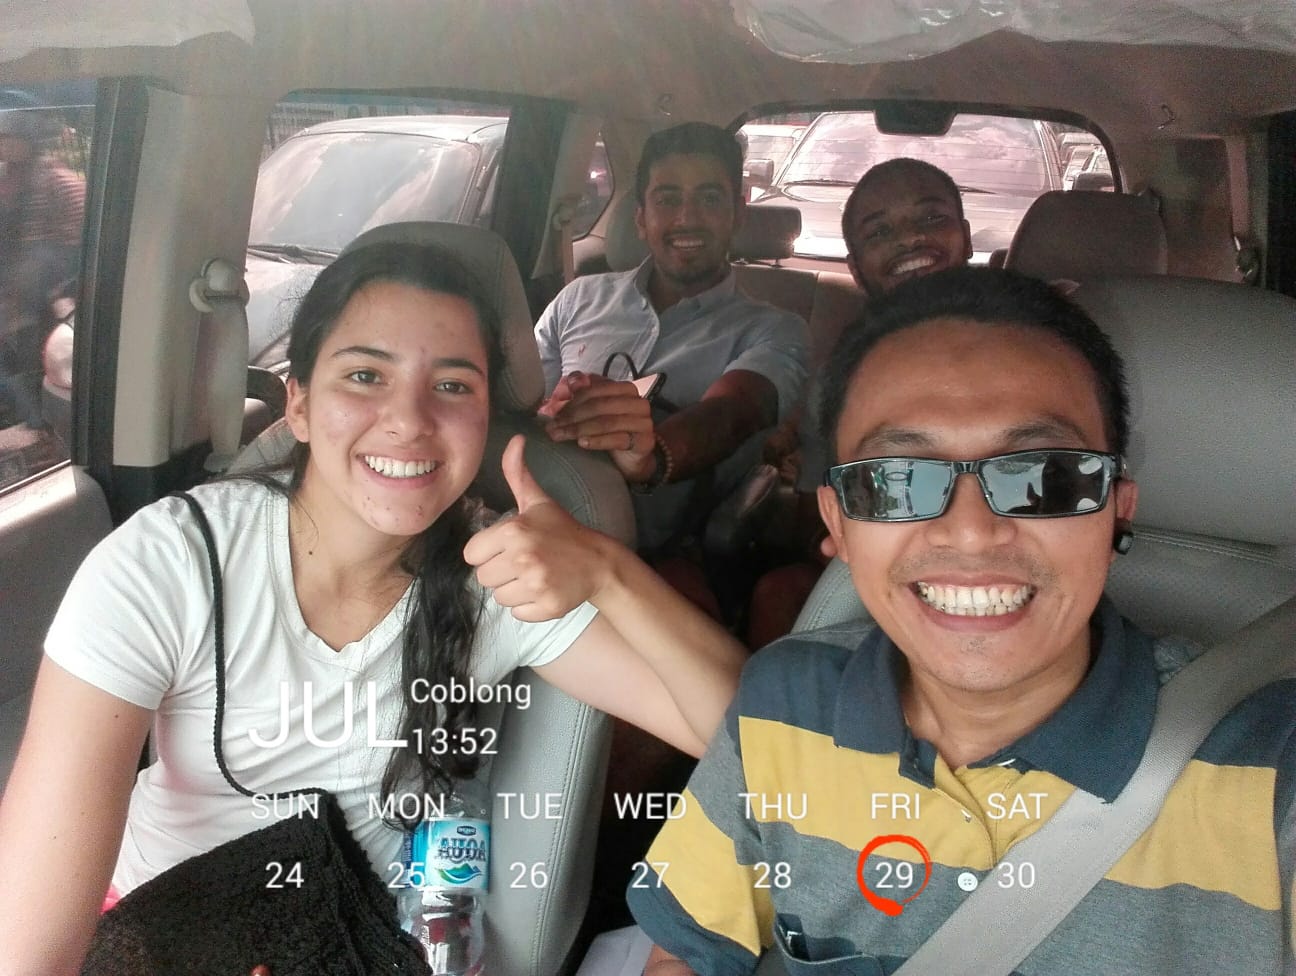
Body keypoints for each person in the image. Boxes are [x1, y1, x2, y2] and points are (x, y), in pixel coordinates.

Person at [0, 241, 748, 975]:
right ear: (298, 404)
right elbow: (29, 941)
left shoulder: (499, 574)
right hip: (164, 930)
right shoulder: (172, 562)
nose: (409, 420)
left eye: (452, 385)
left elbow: (752, 733)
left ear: (486, 414)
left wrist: (609, 570)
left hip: (368, 944)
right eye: (365, 375)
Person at [627, 268, 1294, 974]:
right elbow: (684, 956)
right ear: (839, 525)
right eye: (896, 480)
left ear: (1116, 513)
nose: (971, 533)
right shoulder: (780, 709)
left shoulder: (1268, 764)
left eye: (1044, 476)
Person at [534, 121, 809, 565]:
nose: (687, 218)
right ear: (640, 218)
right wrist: (554, 409)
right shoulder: (577, 299)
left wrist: (651, 457)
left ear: (738, 214)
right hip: (542, 527)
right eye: (667, 199)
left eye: (709, 198)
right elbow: (526, 406)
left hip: (666, 557)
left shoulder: (775, 329)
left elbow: (733, 412)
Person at [746, 157, 971, 647]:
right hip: (880, 561)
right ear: (855, 268)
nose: (911, 238)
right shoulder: (840, 381)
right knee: (779, 592)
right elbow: (814, 524)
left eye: (932, 217)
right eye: (879, 232)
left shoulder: (1035, 346)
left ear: (967, 236)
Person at [0, 105, 85, 429]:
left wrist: (58, 290)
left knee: (33, 359)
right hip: (19, 291)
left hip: (43, 296)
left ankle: (40, 422)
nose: (1, 143)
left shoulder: (56, 179)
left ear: (26, 137)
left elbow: (81, 237)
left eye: (7, 136)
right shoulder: (11, 179)